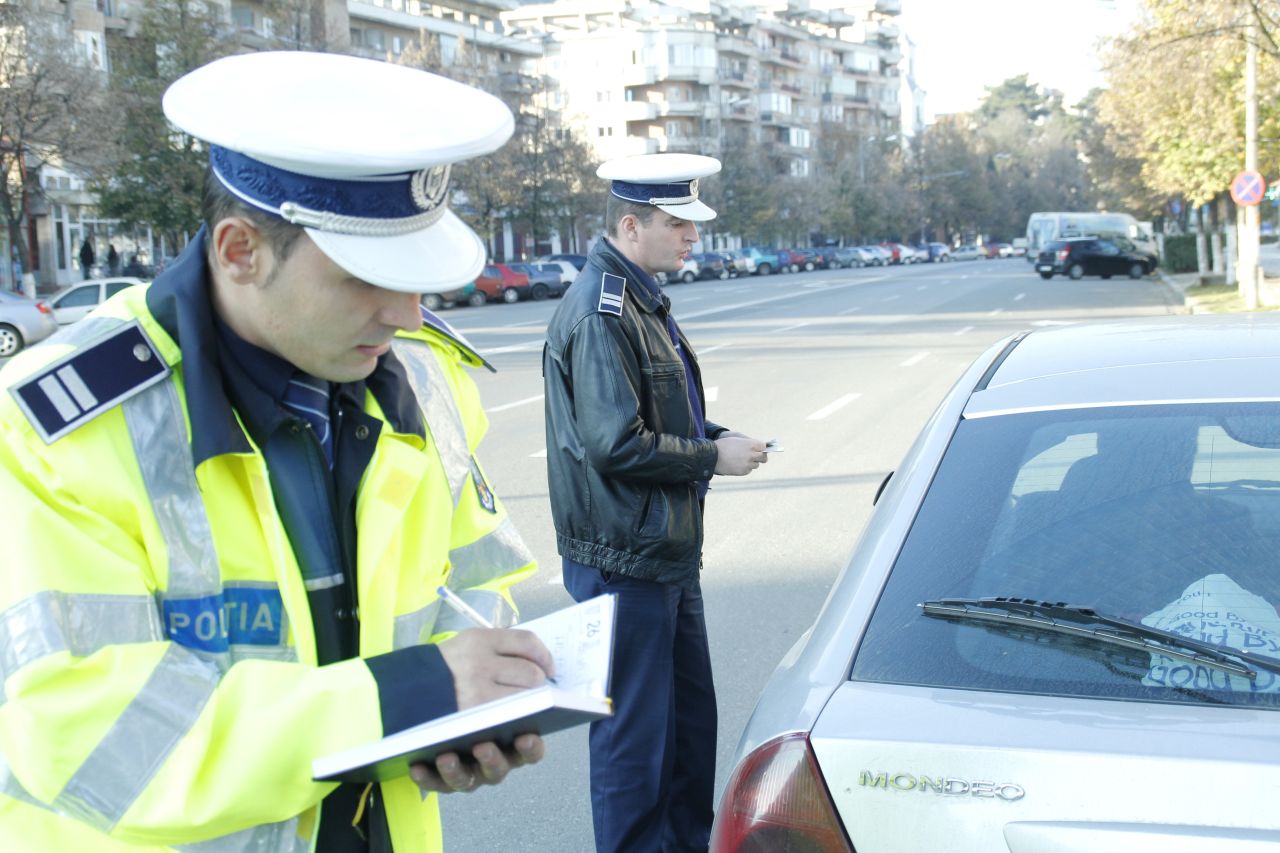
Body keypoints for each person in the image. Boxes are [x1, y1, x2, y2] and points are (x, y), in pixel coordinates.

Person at [0, 51, 553, 851]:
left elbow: (467, 595)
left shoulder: (423, 382)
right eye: (369, 274)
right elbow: (90, 735)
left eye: (418, 275)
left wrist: (474, 714)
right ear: (238, 251)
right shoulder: (54, 426)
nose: (407, 313)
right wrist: (404, 699)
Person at [542, 153, 769, 852]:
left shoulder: (637, 298)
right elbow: (615, 443)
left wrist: (718, 433)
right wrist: (709, 457)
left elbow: (653, 413)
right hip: (624, 558)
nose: (692, 236)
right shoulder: (602, 310)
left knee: (686, 733)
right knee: (634, 746)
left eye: (693, 223)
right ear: (632, 225)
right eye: (678, 223)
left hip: (659, 551)